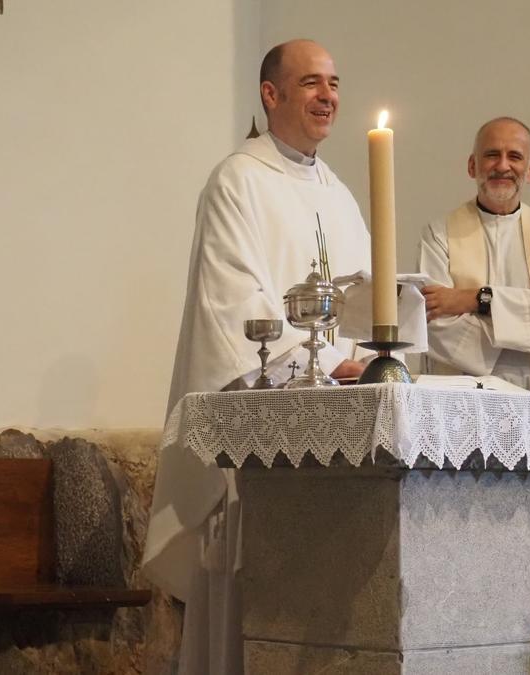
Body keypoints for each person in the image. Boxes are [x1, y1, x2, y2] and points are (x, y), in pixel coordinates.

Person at [143, 39, 370, 674]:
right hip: (262, 432)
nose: (327, 96)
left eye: (333, 82)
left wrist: (361, 359)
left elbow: (363, 299)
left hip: (340, 421)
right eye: (309, 84)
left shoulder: (342, 194)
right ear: (270, 95)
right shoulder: (237, 180)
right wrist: (320, 364)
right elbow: (234, 305)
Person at [418, 117, 530, 393]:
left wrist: (472, 299)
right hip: (460, 397)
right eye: (492, 155)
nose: (503, 166)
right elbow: (434, 324)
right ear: (473, 166)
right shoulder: (439, 235)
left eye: (515, 157)